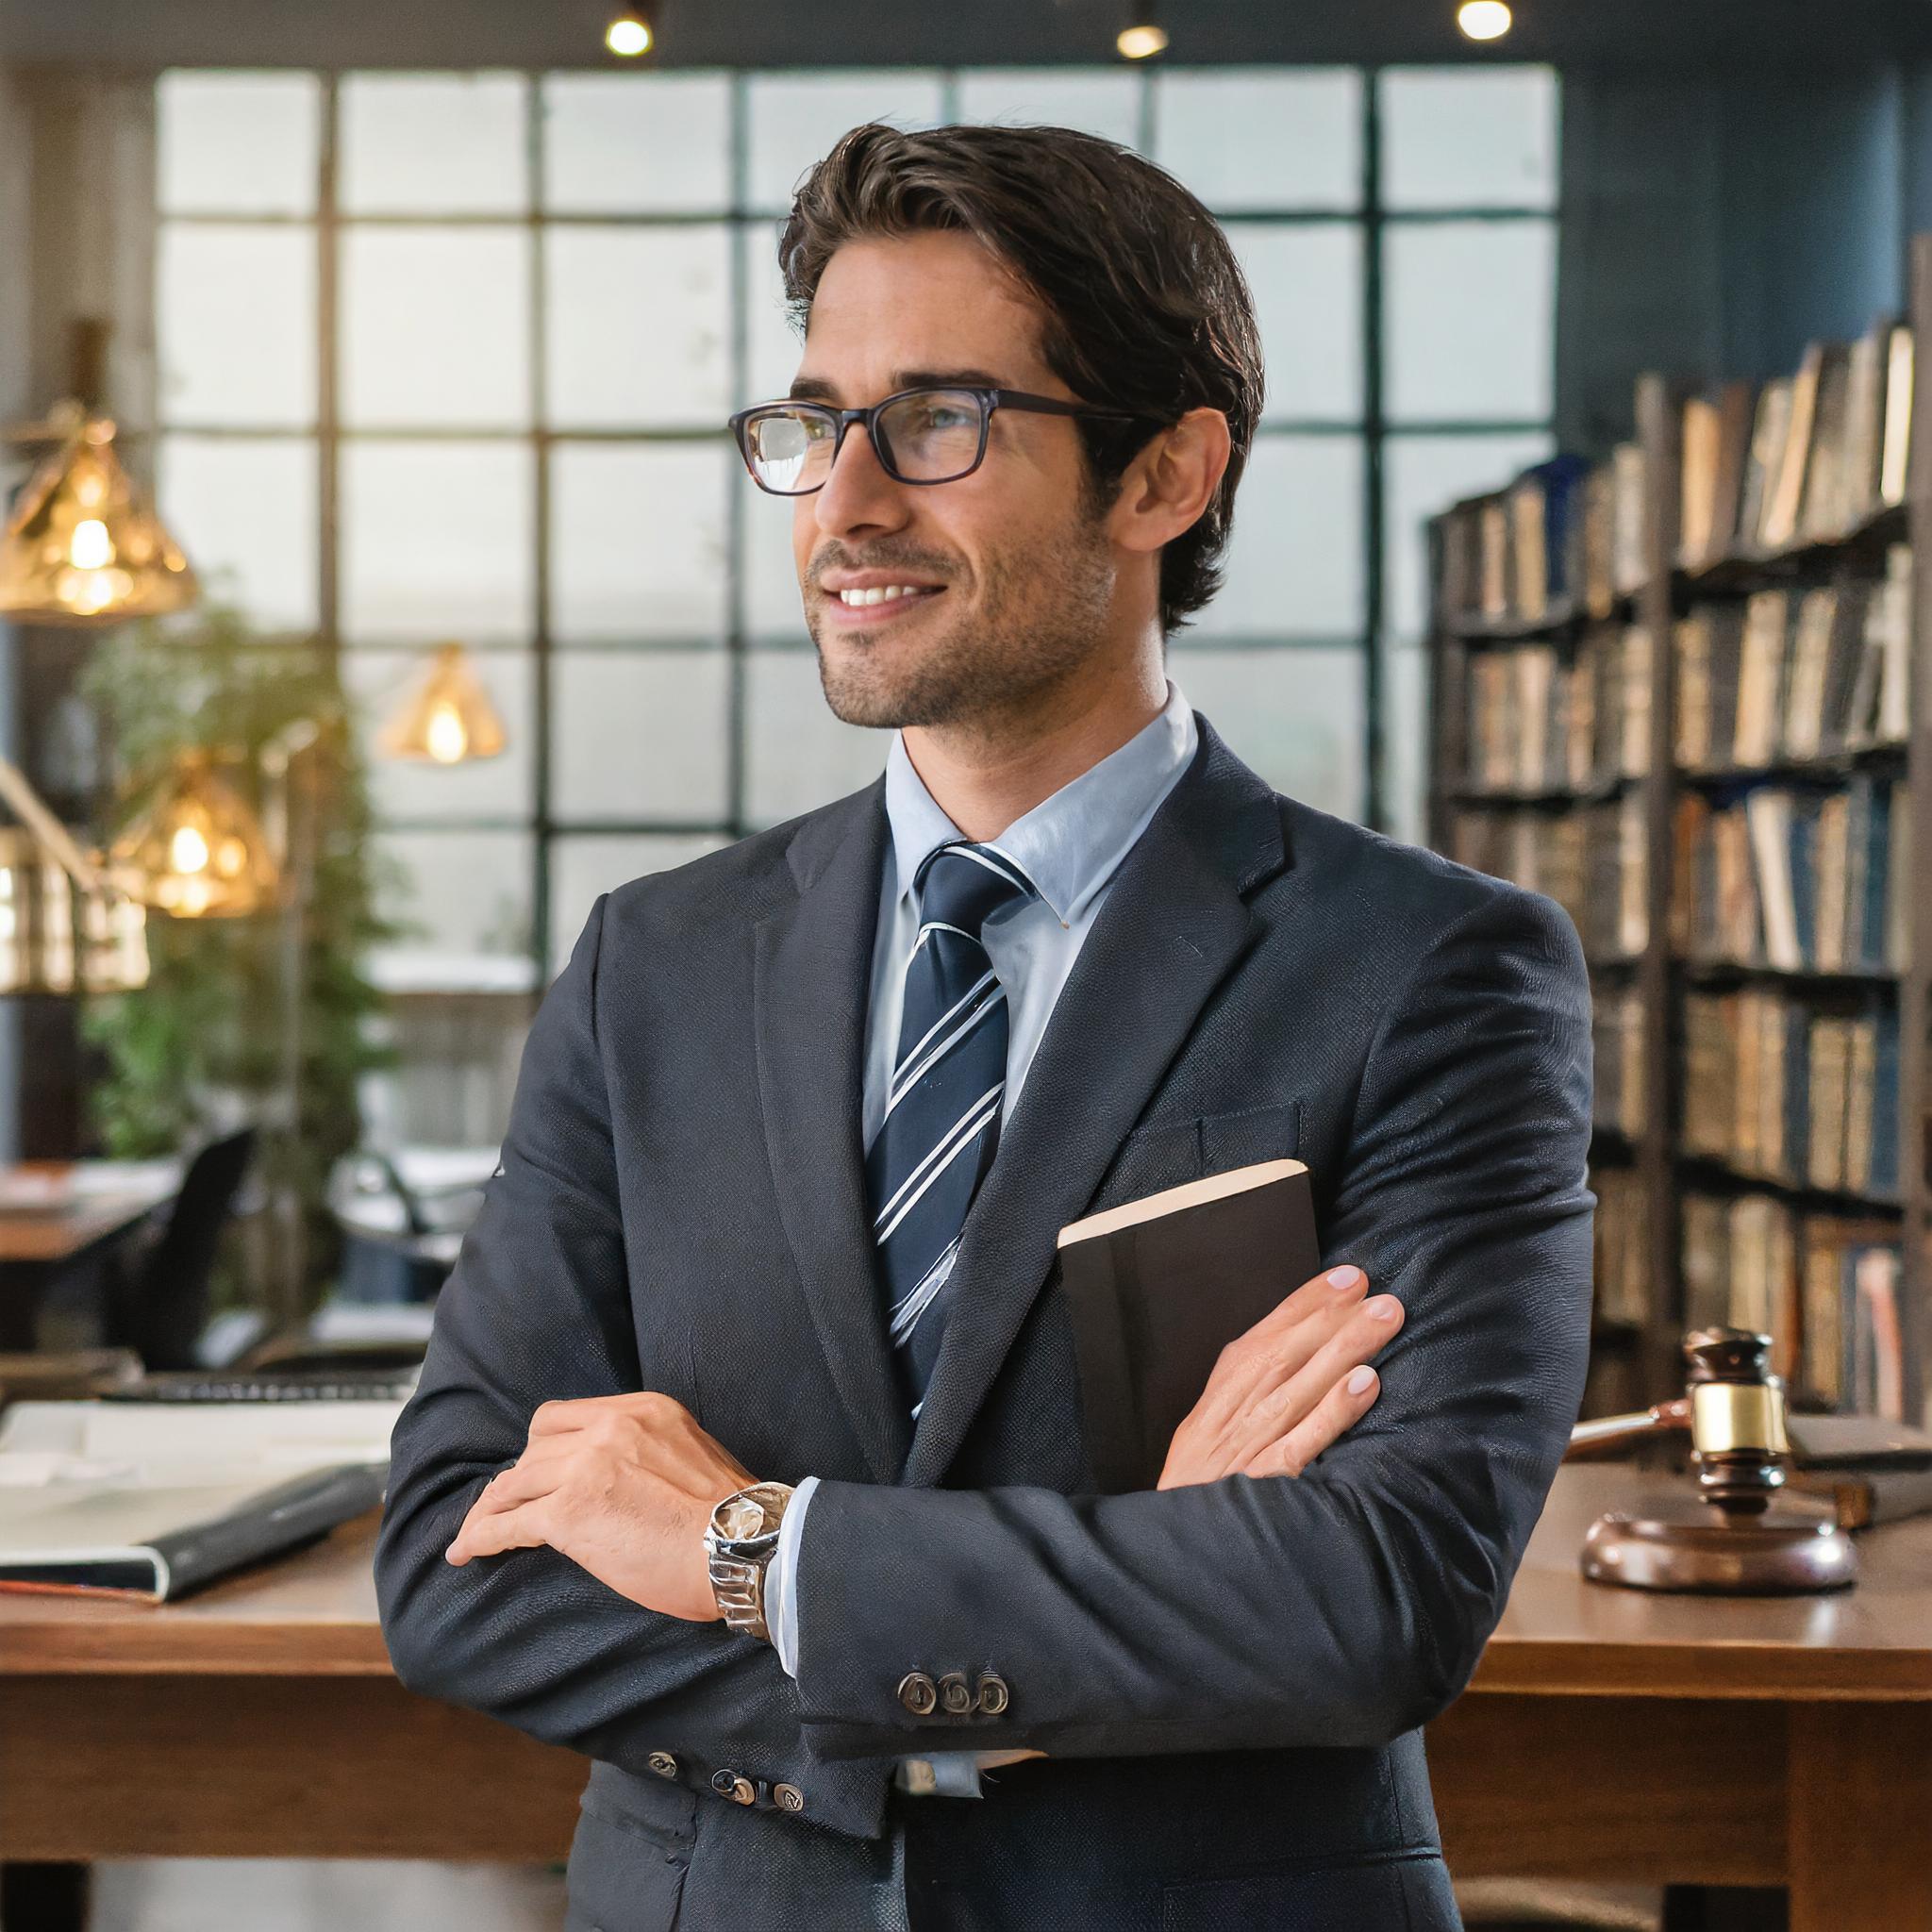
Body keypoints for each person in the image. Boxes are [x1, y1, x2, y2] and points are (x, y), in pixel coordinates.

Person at [374, 120, 1592, 1931]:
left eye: (940, 423)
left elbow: (1371, 1593)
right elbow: (460, 1565)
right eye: (814, 425)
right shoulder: (658, 964)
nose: (847, 502)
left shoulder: (1432, 971)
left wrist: (747, 1551)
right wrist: (1025, 1681)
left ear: (1165, 474)